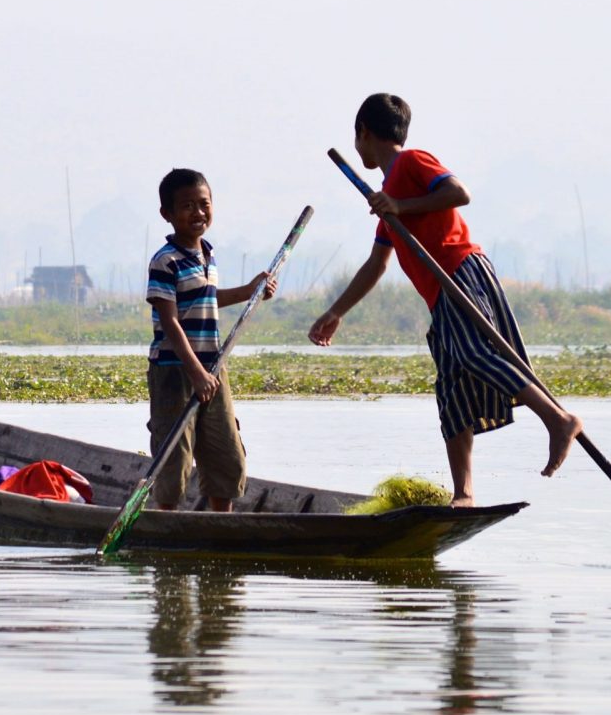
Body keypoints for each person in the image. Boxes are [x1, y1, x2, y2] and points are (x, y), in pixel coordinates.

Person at [309, 93, 582, 507]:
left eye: (357, 138)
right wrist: (335, 312)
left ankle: (557, 418)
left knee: (473, 354)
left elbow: (458, 192)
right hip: (440, 295)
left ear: (363, 132)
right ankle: (464, 494)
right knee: (452, 390)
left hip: (461, 273)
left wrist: (401, 204)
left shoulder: (411, 163)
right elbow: (375, 265)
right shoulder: (386, 195)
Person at [146, 168, 277, 512]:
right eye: (187, 206)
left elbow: (207, 298)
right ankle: (167, 527)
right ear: (168, 215)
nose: (198, 213)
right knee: (173, 460)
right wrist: (195, 373)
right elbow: (170, 321)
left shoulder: (208, 254)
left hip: (213, 367)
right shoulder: (165, 261)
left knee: (226, 457)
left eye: (204, 204)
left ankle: (220, 527)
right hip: (176, 372)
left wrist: (250, 291)